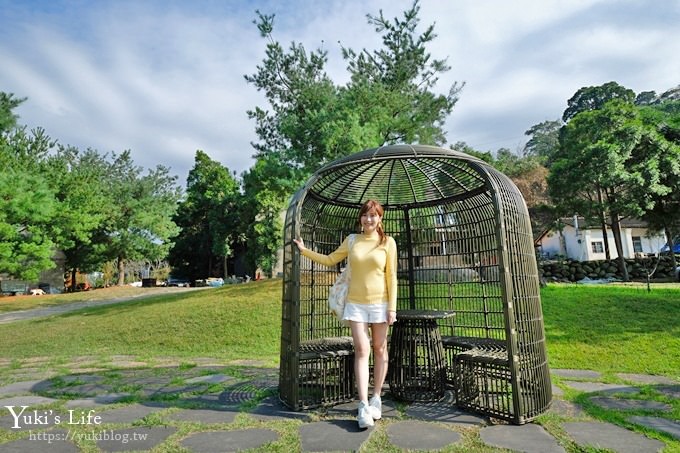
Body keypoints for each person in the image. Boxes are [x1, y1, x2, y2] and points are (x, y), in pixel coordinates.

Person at [293, 199, 398, 429]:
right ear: (360, 218)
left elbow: (392, 276)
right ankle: (362, 405)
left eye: (373, 215)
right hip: (356, 305)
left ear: (380, 218)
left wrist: (392, 308)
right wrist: (304, 250)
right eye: (365, 215)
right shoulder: (352, 240)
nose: (368, 219)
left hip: (381, 304)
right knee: (362, 350)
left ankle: (376, 398)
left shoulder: (388, 242)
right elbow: (331, 259)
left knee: (380, 349)